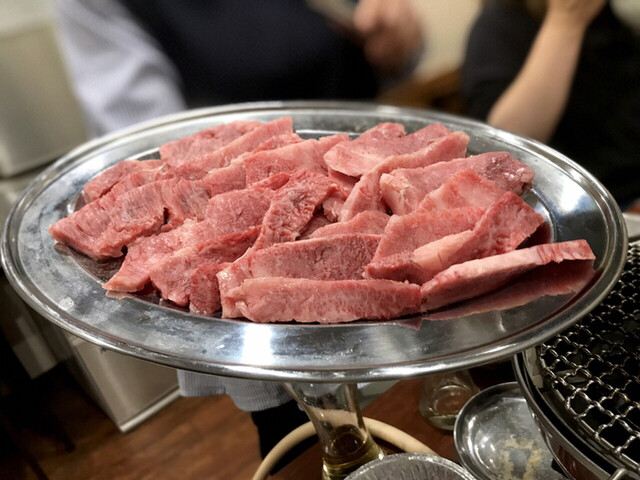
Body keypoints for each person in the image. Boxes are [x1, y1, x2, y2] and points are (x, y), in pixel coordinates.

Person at [52, 0, 424, 465]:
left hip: (373, 190)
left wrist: (398, 35)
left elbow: (382, 41)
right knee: (311, 446)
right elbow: (156, 147)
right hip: (263, 321)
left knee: (421, 417)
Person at [462, 0, 640, 205]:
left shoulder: (608, 17)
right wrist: (566, 21)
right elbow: (497, 146)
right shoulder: (498, 23)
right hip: (587, 202)